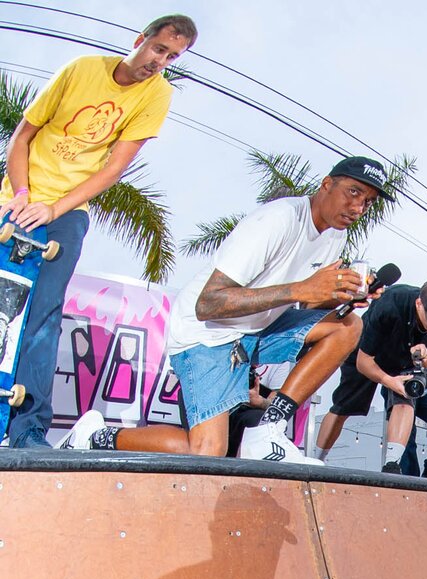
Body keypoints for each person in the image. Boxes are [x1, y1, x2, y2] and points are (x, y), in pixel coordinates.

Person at [58, 157, 391, 463]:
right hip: (207, 334)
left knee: (347, 326)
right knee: (206, 451)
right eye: (353, 192)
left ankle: (268, 430)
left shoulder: (334, 234)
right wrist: (304, 289)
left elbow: (303, 302)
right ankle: (95, 435)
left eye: (367, 201)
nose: (358, 206)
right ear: (326, 184)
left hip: (256, 331)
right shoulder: (277, 220)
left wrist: (339, 298)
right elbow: (209, 304)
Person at [0, 14, 198, 448]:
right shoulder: (81, 70)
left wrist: (55, 207)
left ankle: (27, 432)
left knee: (44, 317)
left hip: (67, 210)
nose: (159, 61)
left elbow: (113, 169)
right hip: (16, 201)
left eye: (172, 57)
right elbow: (22, 137)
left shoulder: (157, 95)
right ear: (139, 39)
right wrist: (21, 193)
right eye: (158, 49)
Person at [313, 280, 427, 477]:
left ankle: (392, 465)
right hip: (368, 352)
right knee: (343, 407)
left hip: (402, 363)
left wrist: (426, 359)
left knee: (407, 396)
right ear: (419, 303)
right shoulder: (391, 304)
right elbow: (363, 362)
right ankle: (316, 460)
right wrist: (388, 381)